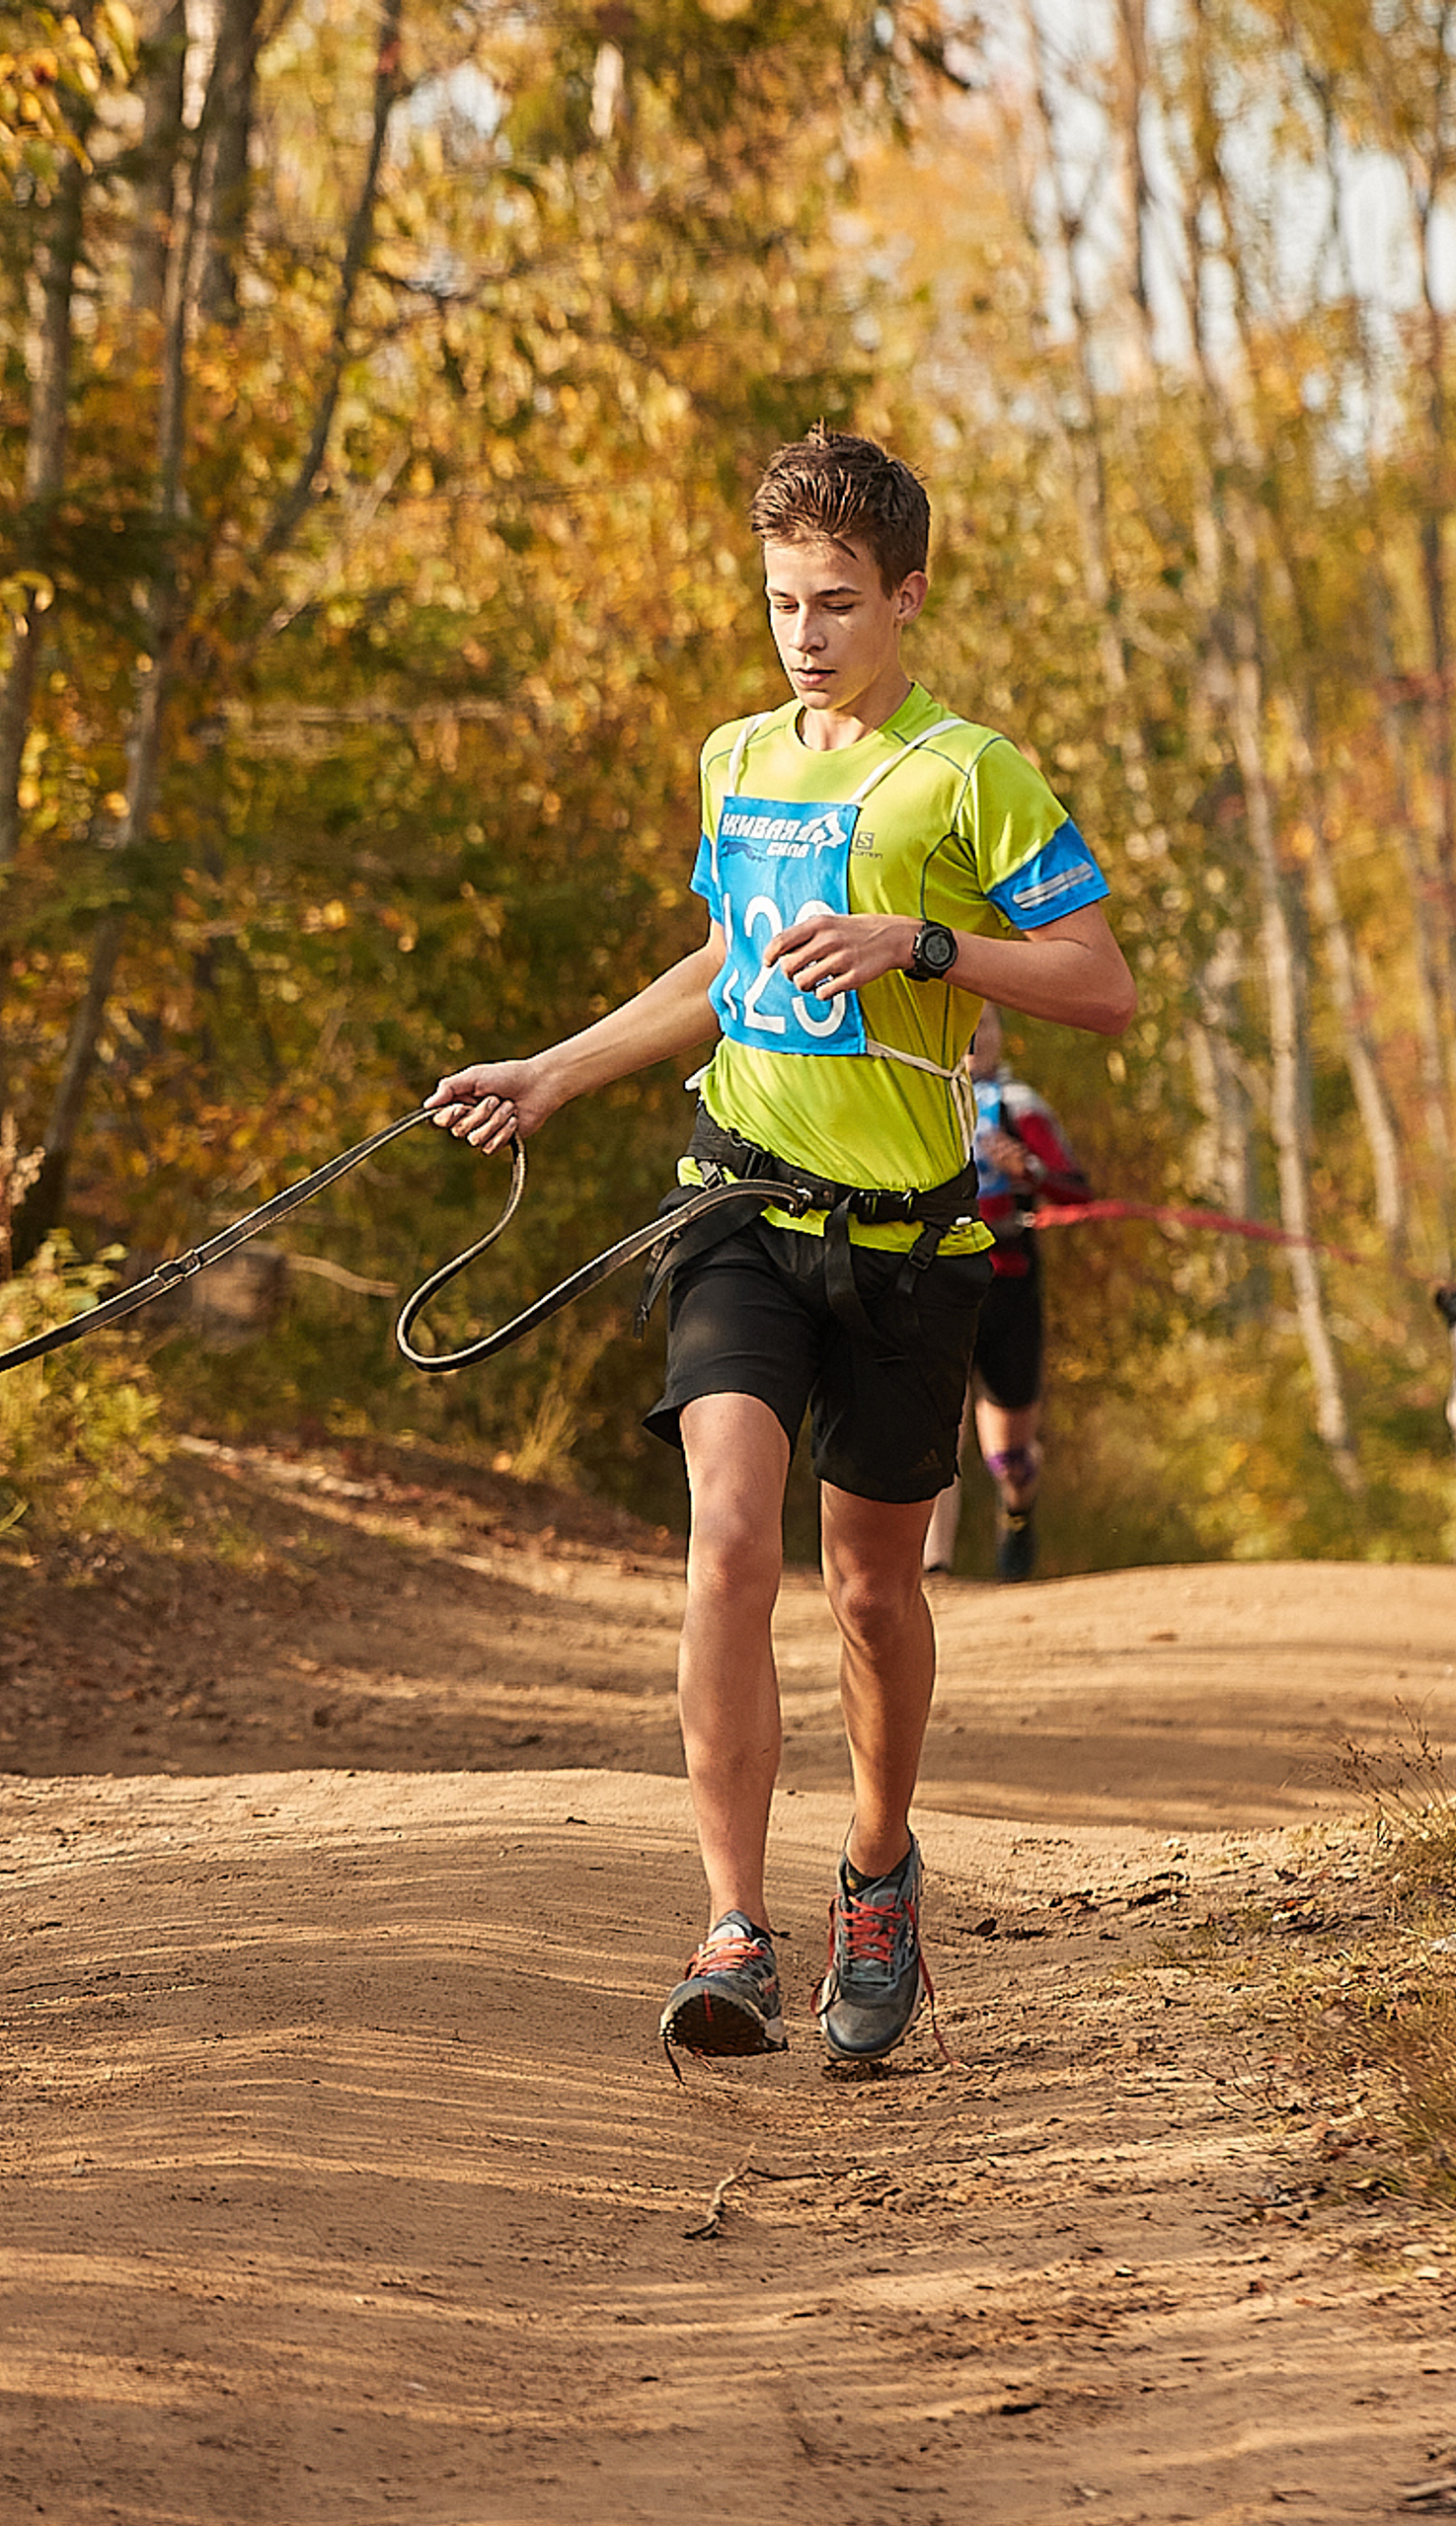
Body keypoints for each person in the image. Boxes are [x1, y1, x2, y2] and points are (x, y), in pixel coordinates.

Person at [426, 424, 1134, 2069]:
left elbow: (1100, 983)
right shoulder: (737, 757)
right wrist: (555, 1071)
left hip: (906, 1241)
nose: (801, 634)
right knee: (730, 1539)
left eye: (831, 601)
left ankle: (877, 1876)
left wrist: (927, 941)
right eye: (777, 601)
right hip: (736, 1198)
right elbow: (720, 967)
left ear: (907, 597)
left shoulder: (972, 774)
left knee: (877, 1594)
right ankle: (734, 1926)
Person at [921, 1006, 1094, 1584]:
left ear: (998, 1034)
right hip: (938, 1282)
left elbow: (1077, 1193)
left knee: (1008, 1458)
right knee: (936, 1431)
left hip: (1010, 1284)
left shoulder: (1020, 1107)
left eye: (983, 1025)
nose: (972, 1039)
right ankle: (934, 1566)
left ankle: (1018, 1514)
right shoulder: (916, 1100)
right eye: (962, 1026)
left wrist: (1030, 1170)